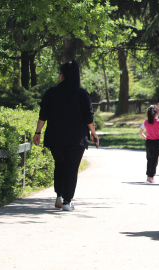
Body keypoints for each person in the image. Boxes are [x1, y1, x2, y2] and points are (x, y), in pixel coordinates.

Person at [33, 60, 99, 211]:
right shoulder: (82, 94)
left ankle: (59, 196)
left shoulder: (51, 93)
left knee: (60, 164)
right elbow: (89, 118)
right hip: (77, 137)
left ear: (62, 75)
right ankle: (67, 202)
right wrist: (94, 134)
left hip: (56, 137)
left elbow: (43, 115)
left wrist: (38, 132)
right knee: (72, 168)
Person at [139, 105, 159, 183]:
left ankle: (148, 175)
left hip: (148, 142)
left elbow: (140, 133)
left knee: (149, 158)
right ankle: (151, 176)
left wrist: (146, 137)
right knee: (155, 160)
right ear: (157, 113)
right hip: (156, 142)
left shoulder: (146, 122)